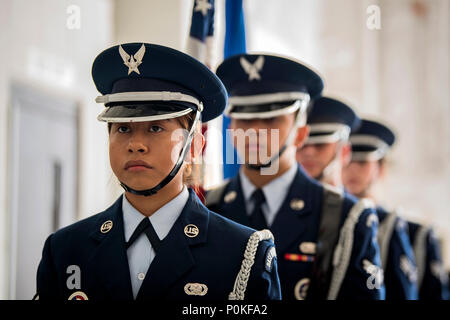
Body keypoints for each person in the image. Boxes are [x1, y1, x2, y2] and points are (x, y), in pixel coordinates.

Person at [34, 43, 281, 301]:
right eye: (123, 129)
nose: (135, 145)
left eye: (155, 129)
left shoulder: (243, 254)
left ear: (194, 146)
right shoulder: (65, 250)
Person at [206, 54, 384, 300]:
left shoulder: (346, 217)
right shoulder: (208, 205)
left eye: (271, 119)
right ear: (231, 128)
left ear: (300, 134)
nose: (255, 131)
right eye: (244, 119)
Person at [342, 119, 419, 299]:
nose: (352, 170)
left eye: (362, 163)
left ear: (381, 168)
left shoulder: (390, 226)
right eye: (347, 161)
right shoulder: (331, 216)